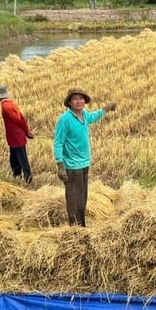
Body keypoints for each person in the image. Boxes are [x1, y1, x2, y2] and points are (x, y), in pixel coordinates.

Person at [53, 87, 116, 226]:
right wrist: (60, 166)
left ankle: (81, 225)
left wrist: (106, 109)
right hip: (72, 166)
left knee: (82, 198)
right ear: (69, 102)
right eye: (75, 99)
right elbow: (58, 143)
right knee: (74, 199)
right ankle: (75, 228)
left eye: (81, 98)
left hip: (84, 163)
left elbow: (94, 116)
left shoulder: (84, 115)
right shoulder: (65, 119)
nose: (79, 101)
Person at [0, 84, 34, 183]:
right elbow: (22, 118)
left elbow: (18, 119)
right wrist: (26, 131)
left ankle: (28, 178)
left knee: (22, 158)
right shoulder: (11, 103)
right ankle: (17, 175)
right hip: (14, 136)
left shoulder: (5, 106)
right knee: (14, 158)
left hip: (16, 136)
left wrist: (26, 132)